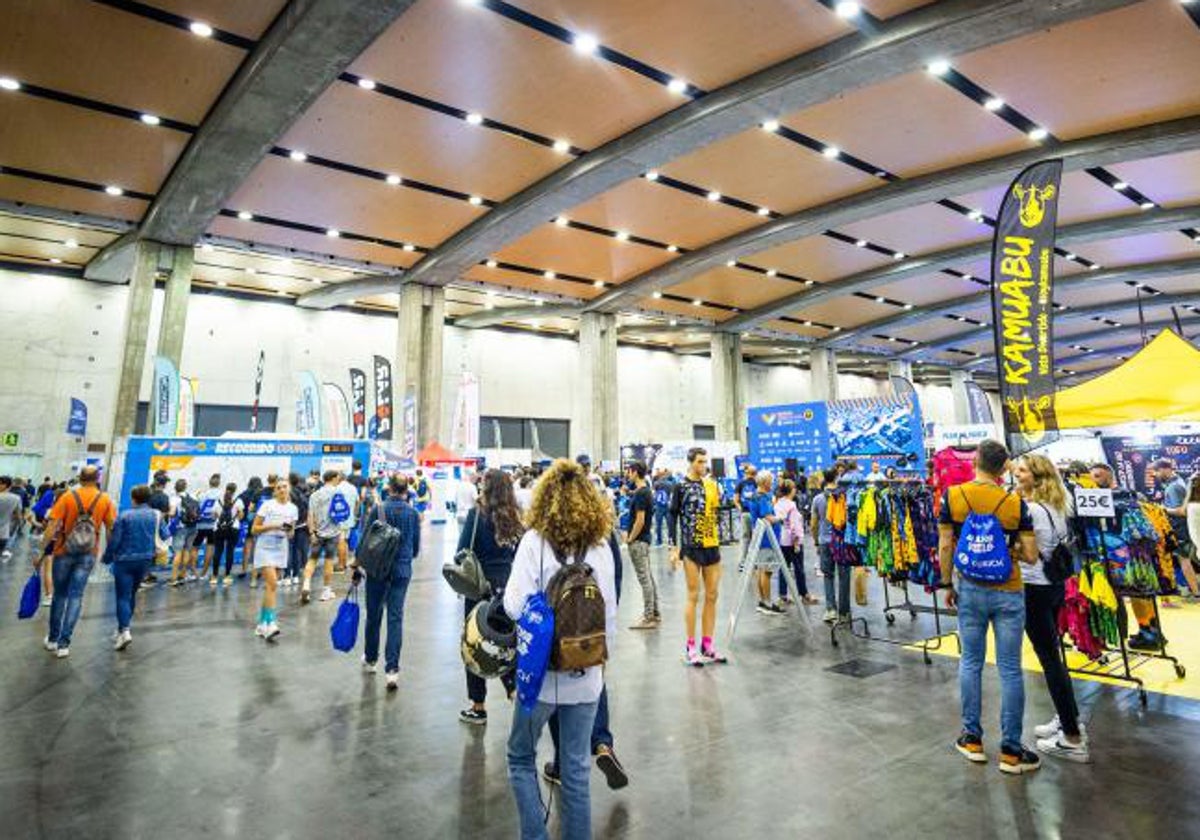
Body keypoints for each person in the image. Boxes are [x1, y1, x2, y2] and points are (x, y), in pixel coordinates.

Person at [503, 459, 617, 840]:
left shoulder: (534, 542)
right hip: (587, 675)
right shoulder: (600, 546)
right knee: (576, 770)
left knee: (521, 758)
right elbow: (610, 613)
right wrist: (602, 665)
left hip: (540, 677)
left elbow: (514, 605)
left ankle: (535, 834)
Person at [939, 439, 1040, 775]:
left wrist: (945, 583)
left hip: (969, 587)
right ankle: (1011, 751)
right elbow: (1031, 555)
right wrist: (1008, 549)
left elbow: (944, 546)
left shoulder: (953, 497)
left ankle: (972, 739)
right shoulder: (1014, 503)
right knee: (1010, 669)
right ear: (1003, 468)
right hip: (1008, 590)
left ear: (976, 461)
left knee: (971, 662)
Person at [1013, 454, 1090, 763]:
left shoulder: (1031, 510)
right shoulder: (1060, 503)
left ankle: (1072, 737)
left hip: (1035, 589)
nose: (1016, 474)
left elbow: (1028, 554)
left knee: (1050, 660)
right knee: (1053, 655)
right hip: (1055, 586)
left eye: (1022, 470)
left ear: (1036, 476)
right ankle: (1067, 716)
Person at [458, 469, 524, 723]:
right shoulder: (517, 518)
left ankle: (478, 706)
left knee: (474, 644)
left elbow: (462, 551)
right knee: (508, 641)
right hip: (508, 588)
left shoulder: (477, 516)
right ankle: (514, 690)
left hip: (479, 590)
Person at [40, 466, 115, 658]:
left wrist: (41, 551)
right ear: (98, 478)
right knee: (76, 596)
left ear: (80, 478)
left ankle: (53, 639)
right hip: (88, 553)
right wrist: (111, 552)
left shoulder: (67, 497)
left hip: (63, 551)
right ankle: (64, 645)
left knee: (60, 596)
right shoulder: (105, 499)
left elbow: (52, 525)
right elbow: (111, 528)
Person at [357, 475, 421, 691]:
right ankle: (392, 670)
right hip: (402, 570)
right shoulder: (413, 514)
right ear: (407, 490)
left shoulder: (379, 510)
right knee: (395, 618)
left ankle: (371, 658)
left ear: (390, 488)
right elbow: (415, 548)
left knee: (374, 615)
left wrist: (356, 565)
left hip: (377, 570)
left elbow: (365, 540)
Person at [668, 447, 727, 665]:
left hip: (712, 546)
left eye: (705, 461)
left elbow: (716, 513)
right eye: (700, 461)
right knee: (693, 595)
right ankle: (691, 645)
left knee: (712, 595)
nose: (704, 465)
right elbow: (672, 516)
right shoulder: (680, 486)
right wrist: (673, 548)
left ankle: (708, 644)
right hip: (691, 548)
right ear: (691, 462)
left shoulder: (712, 485)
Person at [103, 484, 159, 650]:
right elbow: (164, 534)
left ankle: (125, 632)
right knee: (132, 594)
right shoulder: (155, 515)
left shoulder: (125, 516)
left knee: (122, 596)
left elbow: (115, 540)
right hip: (145, 560)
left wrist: (107, 557)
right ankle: (122, 628)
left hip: (125, 561)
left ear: (133, 498)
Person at [250, 479, 297, 641]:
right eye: (279, 488)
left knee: (270, 588)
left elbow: (291, 534)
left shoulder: (293, 508)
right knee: (273, 583)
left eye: (285, 487)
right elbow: (254, 529)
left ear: (289, 488)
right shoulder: (267, 505)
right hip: (265, 547)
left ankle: (261, 624)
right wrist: (274, 526)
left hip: (281, 548)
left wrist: (289, 530)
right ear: (275, 491)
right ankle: (271, 623)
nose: (282, 489)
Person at [1151, 458, 1200, 599]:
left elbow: (1181, 511)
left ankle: (1196, 593)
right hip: (1186, 527)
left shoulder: (1174, 487)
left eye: (1157, 471)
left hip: (1181, 529)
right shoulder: (1179, 481)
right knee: (1192, 558)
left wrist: (1163, 509)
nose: (1156, 475)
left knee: (1184, 560)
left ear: (1165, 469)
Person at [623, 461, 660, 630]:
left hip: (638, 541)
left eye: (629, 472)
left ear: (635, 472)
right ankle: (655, 613)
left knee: (644, 579)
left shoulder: (641, 494)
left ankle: (648, 617)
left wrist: (630, 538)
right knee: (649, 577)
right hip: (643, 540)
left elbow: (640, 519)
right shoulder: (643, 492)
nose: (627, 475)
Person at [811, 469, 849, 624]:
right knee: (844, 576)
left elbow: (813, 523)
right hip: (842, 541)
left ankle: (830, 609)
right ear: (837, 478)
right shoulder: (844, 497)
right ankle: (844, 611)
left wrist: (816, 541)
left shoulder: (817, 499)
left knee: (828, 576)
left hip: (825, 541)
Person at [746, 471, 784, 615]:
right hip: (767, 539)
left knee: (761, 570)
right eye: (771, 481)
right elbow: (767, 517)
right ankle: (767, 603)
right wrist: (781, 518)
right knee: (766, 571)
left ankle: (763, 601)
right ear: (765, 482)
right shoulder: (762, 498)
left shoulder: (756, 496)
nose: (772, 483)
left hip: (760, 538)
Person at [775, 479, 818, 605]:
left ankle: (782, 595)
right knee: (799, 568)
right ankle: (804, 594)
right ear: (791, 490)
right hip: (793, 542)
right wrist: (796, 542)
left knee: (783, 568)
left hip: (782, 541)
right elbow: (795, 526)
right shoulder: (791, 506)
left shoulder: (778, 504)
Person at [302, 471, 342, 604]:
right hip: (333, 533)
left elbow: (310, 516)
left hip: (317, 533)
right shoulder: (338, 493)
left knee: (312, 559)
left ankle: (306, 585)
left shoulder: (315, 495)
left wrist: (312, 533)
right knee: (329, 561)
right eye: (338, 477)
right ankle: (326, 591)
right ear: (333, 478)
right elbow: (342, 512)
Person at [209, 483, 241, 586]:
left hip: (218, 528)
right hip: (233, 528)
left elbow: (213, 516)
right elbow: (240, 516)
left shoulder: (218, 500)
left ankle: (214, 576)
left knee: (218, 551)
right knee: (230, 551)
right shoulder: (238, 501)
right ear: (235, 490)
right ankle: (227, 576)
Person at [168, 478, 198, 586]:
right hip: (193, 527)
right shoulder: (193, 497)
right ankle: (183, 575)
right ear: (185, 487)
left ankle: (174, 578)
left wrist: (167, 513)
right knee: (187, 550)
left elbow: (171, 513)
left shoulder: (174, 499)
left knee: (178, 552)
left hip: (181, 528)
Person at [195, 474, 223, 583]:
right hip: (213, 526)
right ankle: (203, 573)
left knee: (194, 548)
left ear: (209, 483)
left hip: (201, 524)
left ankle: (193, 572)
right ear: (219, 483)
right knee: (210, 548)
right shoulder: (221, 494)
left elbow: (197, 508)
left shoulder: (202, 494)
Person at [286, 472, 310, 588]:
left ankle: (286, 576)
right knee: (297, 551)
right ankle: (295, 576)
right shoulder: (303, 494)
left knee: (289, 550)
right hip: (302, 526)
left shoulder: (289, 494)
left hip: (291, 526)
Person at [734, 463, 757, 543]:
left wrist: (741, 509)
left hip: (746, 512)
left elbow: (736, 500)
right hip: (754, 513)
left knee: (745, 537)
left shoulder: (740, 483)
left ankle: (744, 555)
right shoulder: (756, 483)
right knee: (755, 536)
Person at [0, 476, 22, 560]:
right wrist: (19, 526)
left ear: (5, 485)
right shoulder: (16, 498)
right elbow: (18, 516)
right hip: (3, 534)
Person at [651, 469, 672, 547]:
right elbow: (671, 495)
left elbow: (654, 493)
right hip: (667, 505)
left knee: (658, 524)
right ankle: (670, 541)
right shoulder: (670, 484)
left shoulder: (656, 483)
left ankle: (659, 541)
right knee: (669, 524)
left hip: (659, 505)